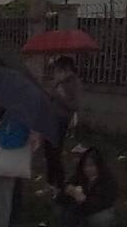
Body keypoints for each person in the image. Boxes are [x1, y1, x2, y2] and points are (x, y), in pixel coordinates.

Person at [0, 110, 38, 227]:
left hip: (8, 160)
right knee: (1, 194)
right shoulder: (20, 113)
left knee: (1, 197)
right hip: (9, 160)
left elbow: (15, 139)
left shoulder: (22, 115)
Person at [44, 56, 84, 187]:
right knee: (48, 150)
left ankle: (60, 183)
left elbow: (74, 105)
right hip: (50, 118)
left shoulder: (74, 83)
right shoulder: (58, 83)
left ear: (67, 69)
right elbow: (50, 97)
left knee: (55, 151)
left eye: (59, 70)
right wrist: (53, 88)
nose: (56, 73)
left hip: (61, 120)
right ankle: (50, 181)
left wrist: (59, 96)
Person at [55, 147, 118, 226]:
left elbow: (103, 203)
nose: (87, 169)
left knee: (100, 219)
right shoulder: (78, 176)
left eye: (91, 166)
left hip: (99, 210)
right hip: (78, 210)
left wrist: (84, 200)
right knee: (63, 210)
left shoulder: (107, 180)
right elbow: (60, 198)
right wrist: (66, 192)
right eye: (85, 166)